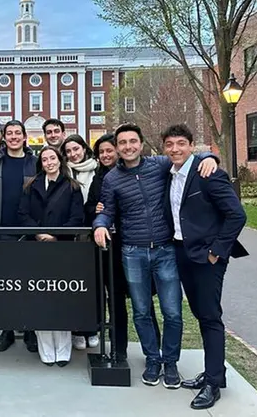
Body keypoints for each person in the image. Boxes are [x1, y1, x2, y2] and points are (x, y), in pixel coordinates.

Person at [93, 123, 218, 389]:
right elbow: (106, 210)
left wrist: (210, 157)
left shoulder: (160, 165)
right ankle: (152, 359)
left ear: (141, 143)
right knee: (141, 312)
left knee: (172, 312)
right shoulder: (112, 179)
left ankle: (170, 362)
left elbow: (185, 157)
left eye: (132, 141)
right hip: (132, 252)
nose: (128, 146)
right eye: (122, 142)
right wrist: (100, 224)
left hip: (165, 250)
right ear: (117, 148)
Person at [161, 124, 248, 410]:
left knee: (210, 317)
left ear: (191, 145)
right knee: (200, 313)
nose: (175, 149)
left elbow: (237, 215)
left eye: (180, 144)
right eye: (170, 144)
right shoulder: (169, 174)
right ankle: (214, 372)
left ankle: (213, 383)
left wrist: (217, 252)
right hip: (181, 252)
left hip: (207, 257)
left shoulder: (208, 174)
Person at [86, 134, 160, 363]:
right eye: (101, 152)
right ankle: (119, 349)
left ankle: (154, 350)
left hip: (133, 244)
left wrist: (209, 158)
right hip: (109, 249)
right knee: (115, 301)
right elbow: (89, 209)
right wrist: (98, 212)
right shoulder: (99, 179)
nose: (106, 155)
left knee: (143, 301)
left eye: (109, 150)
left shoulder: (131, 173)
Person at [18, 146, 84, 366]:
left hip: (62, 249)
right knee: (39, 298)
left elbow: (76, 218)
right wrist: (38, 233)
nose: (49, 162)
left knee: (61, 298)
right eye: (44, 159)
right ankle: (46, 349)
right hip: (36, 249)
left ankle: (63, 349)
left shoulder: (72, 187)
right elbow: (23, 215)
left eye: (52, 158)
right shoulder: (30, 186)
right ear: (41, 163)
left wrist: (55, 235)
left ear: (59, 160)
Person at [0, 120, 39, 353]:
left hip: (29, 234)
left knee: (30, 285)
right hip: (2, 232)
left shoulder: (35, 163)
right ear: (4, 138)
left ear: (25, 137)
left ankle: (30, 330)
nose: (13, 137)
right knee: (5, 286)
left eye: (17, 133)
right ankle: (8, 331)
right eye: (9, 133)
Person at [60, 134, 100, 350]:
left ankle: (92, 328)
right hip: (72, 234)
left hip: (93, 232)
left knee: (93, 284)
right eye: (68, 151)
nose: (73, 154)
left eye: (76, 149)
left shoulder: (98, 169)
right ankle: (76, 330)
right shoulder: (64, 172)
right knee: (73, 285)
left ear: (84, 148)